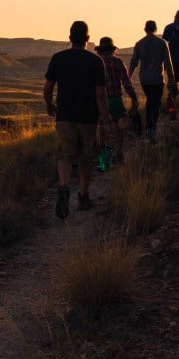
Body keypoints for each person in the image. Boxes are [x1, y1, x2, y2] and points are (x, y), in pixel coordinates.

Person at [44, 21, 110, 218]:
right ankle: (83, 196)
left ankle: (64, 189)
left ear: (70, 37)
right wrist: (105, 122)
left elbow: (47, 89)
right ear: (88, 39)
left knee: (64, 156)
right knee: (86, 158)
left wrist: (49, 105)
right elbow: (100, 94)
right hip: (88, 118)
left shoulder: (58, 58)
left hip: (65, 116)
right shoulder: (96, 61)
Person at [128, 20, 175, 142]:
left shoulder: (140, 44)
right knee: (155, 103)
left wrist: (128, 78)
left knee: (150, 100)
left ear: (145, 29)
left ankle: (150, 126)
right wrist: (171, 80)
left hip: (144, 79)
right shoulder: (162, 43)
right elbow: (168, 64)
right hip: (157, 79)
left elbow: (133, 63)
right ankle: (151, 127)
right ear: (155, 29)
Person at [94, 37, 138, 165]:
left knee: (103, 130)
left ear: (100, 50)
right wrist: (133, 97)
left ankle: (103, 161)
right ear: (113, 49)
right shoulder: (118, 62)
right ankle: (117, 154)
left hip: (100, 100)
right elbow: (126, 83)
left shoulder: (96, 63)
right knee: (119, 129)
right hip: (115, 100)